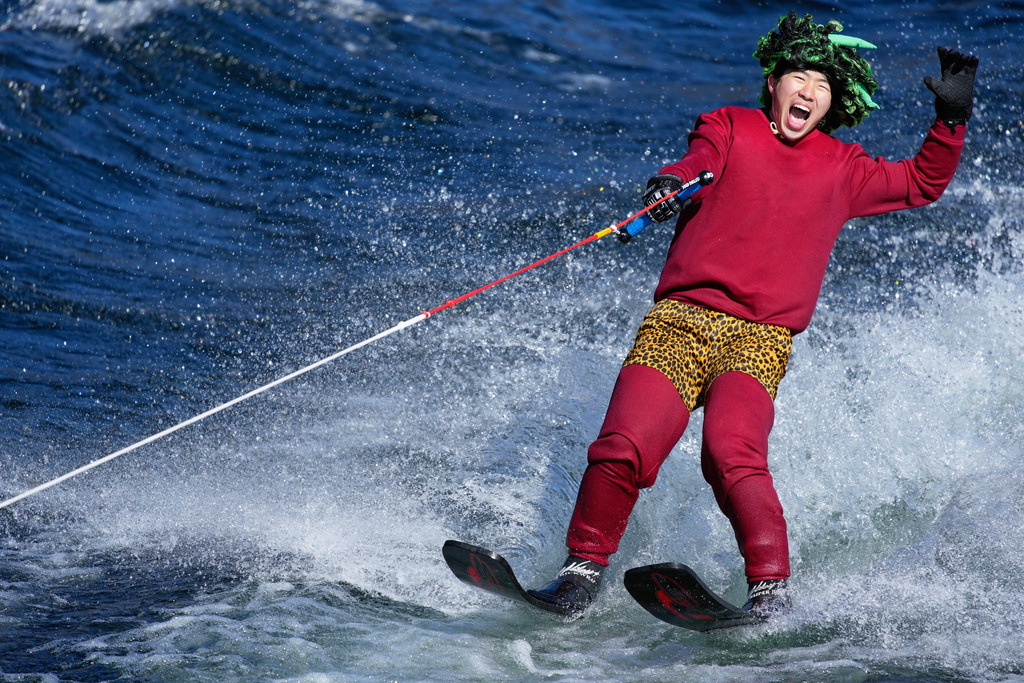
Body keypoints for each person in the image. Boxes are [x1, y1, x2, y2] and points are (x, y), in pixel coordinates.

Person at [527, 11, 979, 617]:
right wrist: (671, 183)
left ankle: (770, 591)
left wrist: (950, 121)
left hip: (759, 339)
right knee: (623, 445)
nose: (809, 91)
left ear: (833, 100)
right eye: (798, 76)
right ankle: (579, 575)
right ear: (774, 81)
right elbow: (697, 161)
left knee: (730, 452)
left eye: (822, 85)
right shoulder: (729, 126)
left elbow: (922, 182)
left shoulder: (844, 169)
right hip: (680, 322)